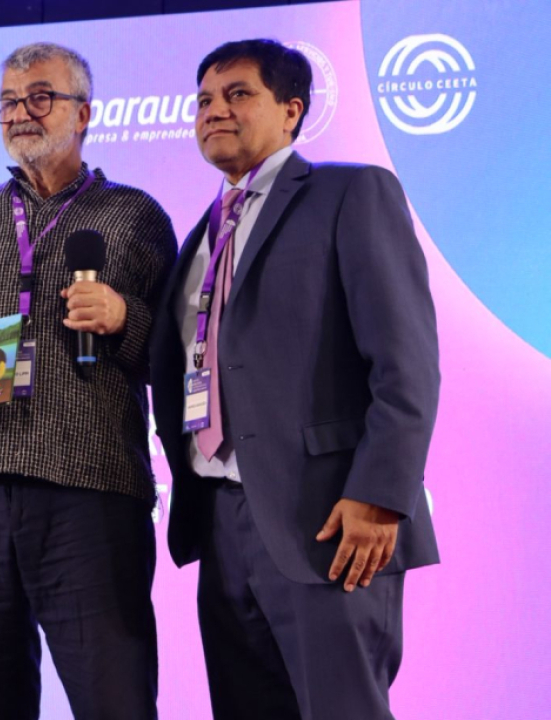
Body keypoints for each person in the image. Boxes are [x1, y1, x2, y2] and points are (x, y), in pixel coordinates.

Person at [149, 39, 440, 720]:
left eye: (238, 94)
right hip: (220, 520)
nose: (214, 111)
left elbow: (406, 363)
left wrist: (380, 495)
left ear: (291, 110)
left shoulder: (350, 193)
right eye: (203, 100)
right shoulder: (202, 234)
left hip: (328, 519)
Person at [0, 42, 177, 719]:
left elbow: (177, 354)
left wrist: (125, 317)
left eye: (41, 97)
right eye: (9, 102)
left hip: (91, 491)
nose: (22, 112)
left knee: (115, 700)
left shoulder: (135, 215)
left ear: (84, 113)